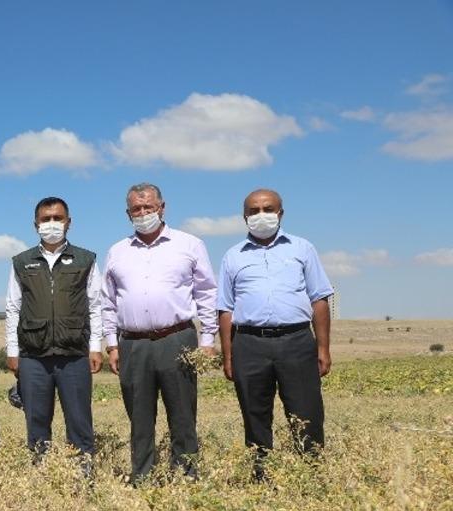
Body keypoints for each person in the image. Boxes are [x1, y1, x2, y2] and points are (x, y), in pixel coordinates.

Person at [101, 183, 217, 482]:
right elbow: (108, 302)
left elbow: (206, 293)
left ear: (162, 207)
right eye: (136, 209)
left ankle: (186, 475)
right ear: (128, 214)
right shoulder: (117, 251)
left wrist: (207, 340)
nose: (143, 213)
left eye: (148, 207)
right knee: (139, 416)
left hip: (177, 338)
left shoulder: (189, 244)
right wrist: (112, 345)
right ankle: (143, 477)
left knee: (182, 412)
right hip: (133, 344)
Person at [218, 188, 333, 477]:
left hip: (296, 340)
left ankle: (312, 472)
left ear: (280, 213)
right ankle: (262, 474)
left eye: (268, 209)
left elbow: (319, 298)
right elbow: (225, 309)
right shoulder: (232, 256)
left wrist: (323, 348)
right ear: (244, 217)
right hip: (249, 343)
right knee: (254, 412)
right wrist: (228, 355)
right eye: (254, 211)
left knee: (306, 410)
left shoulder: (302, 249)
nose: (261, 216)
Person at [5, 196, 103, 463]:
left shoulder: (85, 259)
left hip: (74, 354)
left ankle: (82, 474)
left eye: (57, 218)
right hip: (33, 355)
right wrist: (13, 351)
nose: (51, 224)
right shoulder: (22, 262)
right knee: (36, 421)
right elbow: (13, 307)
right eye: (45, 219)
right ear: (35, 224)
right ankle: (42, 476)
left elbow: (96, 305)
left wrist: (95, 347)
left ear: (68, 222)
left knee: (79, 420)